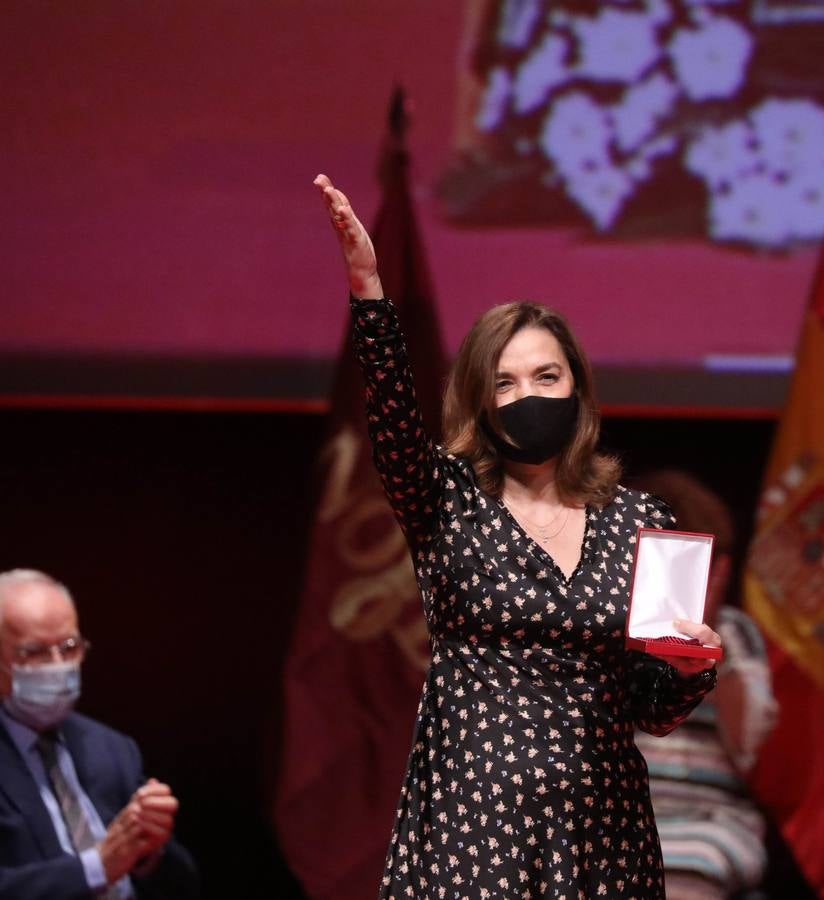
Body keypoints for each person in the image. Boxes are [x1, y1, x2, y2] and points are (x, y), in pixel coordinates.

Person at [313, 172, 723, 898]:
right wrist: (369, 292)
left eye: (544, 376)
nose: (527, 396)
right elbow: (393, 426)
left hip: (603, 829)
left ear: (577, 390)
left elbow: (653, 708)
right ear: (479, 400)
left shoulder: (641, 521)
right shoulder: (444, 499)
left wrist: (690, 669)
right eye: (503, 383)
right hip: (476, 822)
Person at [0, 569, 199, 899]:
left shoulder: (112, 748)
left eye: (69, 647)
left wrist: (148, 852)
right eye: (34, 652)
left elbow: (183, 886)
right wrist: (96, 867)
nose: (58, 666)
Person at [628, 470, 779, 900]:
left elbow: (750, 744)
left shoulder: (735, 634)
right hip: (625, 811)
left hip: (713, 819)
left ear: (720, 571)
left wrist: (714, 650)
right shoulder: (613, 637)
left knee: (692, 868)